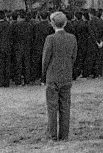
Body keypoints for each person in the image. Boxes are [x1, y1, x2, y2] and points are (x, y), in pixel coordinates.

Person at [42, 11, 78, 141]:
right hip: (66, 75)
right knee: (65, 106)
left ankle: (52, 135)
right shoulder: (72, 38)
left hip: (52, 76)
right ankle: (64, 135)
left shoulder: (50, 39)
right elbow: (74, 57)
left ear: (52, 24)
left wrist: (43, 74)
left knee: (52, 107)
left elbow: (45, 59)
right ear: (66, 23)